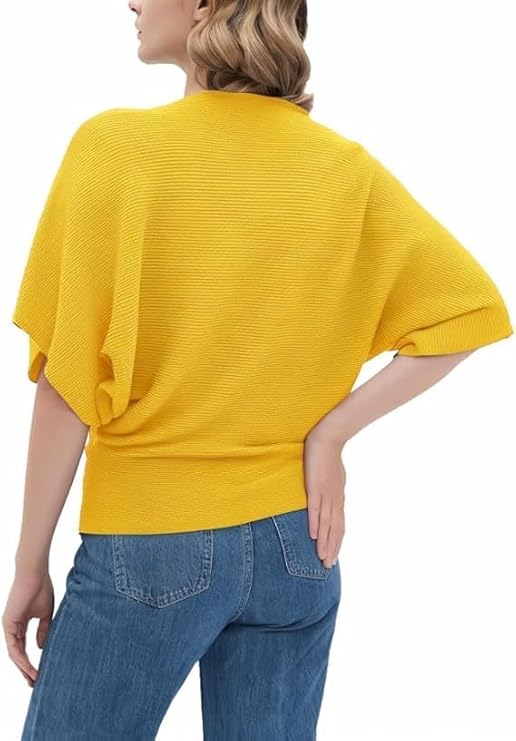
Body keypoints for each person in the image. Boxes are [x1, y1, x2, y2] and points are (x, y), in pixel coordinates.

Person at [2, 0, 513, 738]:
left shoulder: (117, 149)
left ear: (207, 5)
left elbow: (68, 385)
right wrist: (330, 435)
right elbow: (468, 311)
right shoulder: (343, 168)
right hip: (296, 550)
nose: (132, 2)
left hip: (151, 546)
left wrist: (29, 564)